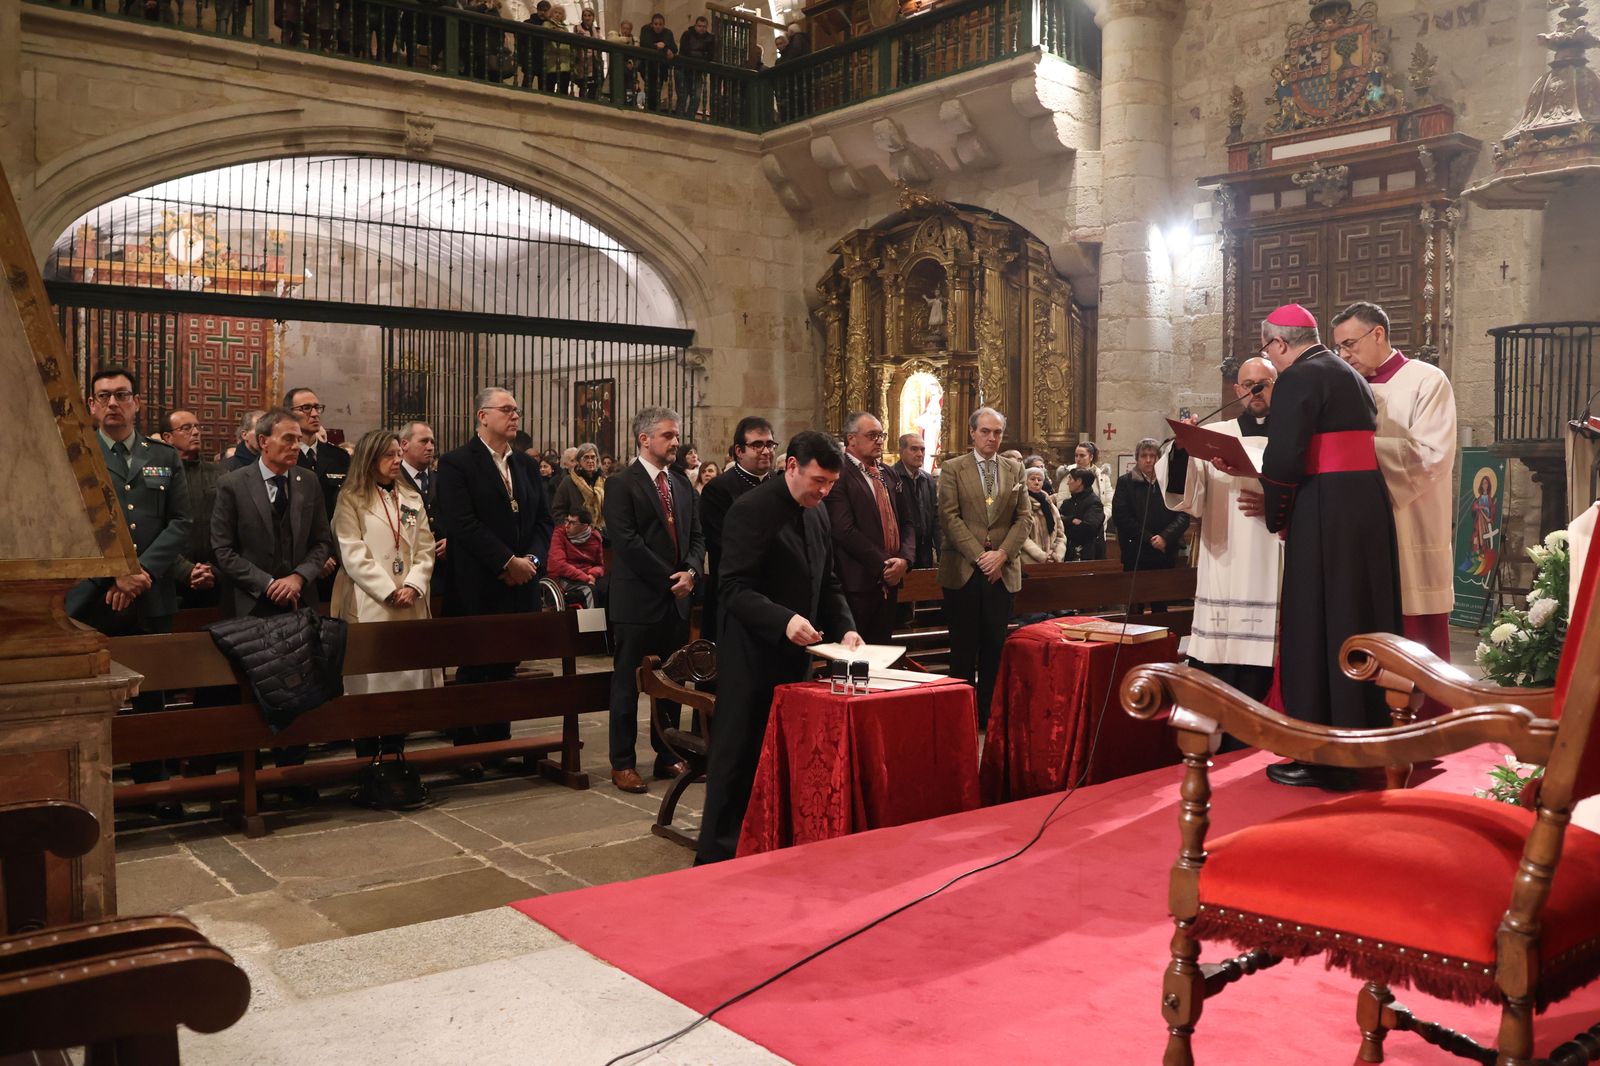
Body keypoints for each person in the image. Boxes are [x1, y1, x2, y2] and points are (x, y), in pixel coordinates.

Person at [694, 431, 862, 864]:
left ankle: (775, 843)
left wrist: (845, 627)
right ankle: (720, 855)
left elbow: (827, 582)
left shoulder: (817, 511)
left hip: (797, 657)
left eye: (830, 484)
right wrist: (784, 619)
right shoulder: (750, 510)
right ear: (791, 466)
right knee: (739, 756)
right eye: (817, 481)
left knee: (786, 756)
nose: (824, 491)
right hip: (751, 655)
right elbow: (732, 589)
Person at [1257, 302, 1403, 789]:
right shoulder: (1351, 373)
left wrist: (1278, 514)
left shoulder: (1299, 377)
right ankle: (1368, 741)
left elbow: (1283, 460)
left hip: (1324, 511)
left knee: (1316, 623)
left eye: (1269, 349)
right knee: (1360, 616)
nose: (1271, 358)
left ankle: (1322, 756)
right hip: (1365, 507)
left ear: (1280, 344)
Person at [67, 369, 192, 809]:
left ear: (137, 402)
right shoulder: (77, 454)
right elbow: (71, 526)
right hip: (93, 595)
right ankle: (88, 787)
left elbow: (180, 522)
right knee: (89, 694)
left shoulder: (163, 455)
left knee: (151, 695)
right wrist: (113, 576)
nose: (113, 403)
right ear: (91, 403)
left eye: (122, 395)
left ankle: (153, 786)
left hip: (150, 592)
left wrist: (140, 574)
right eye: (104, 396)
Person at [1332, 300, 1458, 717]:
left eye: (1349, 344)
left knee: (1414, 632)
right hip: (1356, 529)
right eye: (1338, 349)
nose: (1344, 355)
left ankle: (1426, 726)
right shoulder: (1343, 386)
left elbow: (1431, 456)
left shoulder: (1427, 380)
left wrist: (1355, 452)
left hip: (1410, 525)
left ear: (1379, 334)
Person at [433, 387, 554, 766]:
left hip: (521, 585)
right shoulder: (457, 463)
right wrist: (507, 562)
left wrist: (530, 560)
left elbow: (543, 521)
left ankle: (498, 742)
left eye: (516, 410)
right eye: (506, 409)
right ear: (483, 416)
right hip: (478, 584)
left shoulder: (526, 465)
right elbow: (462, 523)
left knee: (506, 667)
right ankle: (468, 748)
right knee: (475, 666)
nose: (515, 415)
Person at [1157, 356, 1281, 710]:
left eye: (1265, 383)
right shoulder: (1216, 435)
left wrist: (1274, 504)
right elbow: (1188, 499)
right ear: (1237, 390)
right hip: (1224, 558)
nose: (1256, 391)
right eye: (1249, 385)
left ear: (1277, 386)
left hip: (1274, 553)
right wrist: (1181, 451)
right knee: (1220, 654)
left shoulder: (1294, 432)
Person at [601, 406, 703, 794]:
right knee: (627, 684)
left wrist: (691, 572)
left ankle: (667, 752)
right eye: (668, 435)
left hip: (676, 599)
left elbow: (697, 537)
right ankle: (623, 762)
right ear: (644, 439)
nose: (676, 442)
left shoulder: (680, 484)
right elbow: (627, 542)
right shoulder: (621, 484)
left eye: (676, 435)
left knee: (672, 682)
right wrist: (669, 579)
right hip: (639, 602)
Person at [330, 429, 440, 757]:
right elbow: (351, 551)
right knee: (370, 682)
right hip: (370, 600)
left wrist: (413, 585)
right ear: (370, 458)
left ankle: (397, 752)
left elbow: (425, 549)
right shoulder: (351, 498)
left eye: (398, 454)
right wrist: (388, 590)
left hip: (409, 601)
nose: (397, 461)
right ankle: (368, 756)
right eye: (389, 455)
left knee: (403, 682)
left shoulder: (411, 497)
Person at [937, 407, 1032, 726]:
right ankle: (960, 717)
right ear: (972, 433)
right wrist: (981, 556)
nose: (992, 438)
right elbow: (949, 517)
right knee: (963, 648)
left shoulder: (1014, 468)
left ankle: (988, 715)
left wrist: (1002, 555)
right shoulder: (953, 468)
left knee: (995, 647)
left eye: (998, 432)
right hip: (964, 569)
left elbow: (1024, 517)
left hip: (1002, 572)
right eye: (986, 432)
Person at [826, 412, 915, 645]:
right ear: (851, 439)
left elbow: (907, 522)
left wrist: (904, 560)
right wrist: (883, 564)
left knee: (881, 653)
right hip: (856, 581)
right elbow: (843, 529)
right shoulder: (839, 473)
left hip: (890, 581)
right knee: (852, 660)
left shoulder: (888, 472)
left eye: (881, 435)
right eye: (872, 435)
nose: (879, 440)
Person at [699, 416, 775, 643]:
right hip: (734, 589)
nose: (766, 451)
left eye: (770, 444)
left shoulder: (780, 484)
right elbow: (722, 542)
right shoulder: (718, 489)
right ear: (739, 451)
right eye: (757, 445)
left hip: (775, 591)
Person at [284, 386, 349, 596]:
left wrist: (333, 554)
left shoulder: (339, 457)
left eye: (316, 407)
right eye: (305, 408)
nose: (314, 413)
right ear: (288, 414)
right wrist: (314, 560)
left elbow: (347, 510)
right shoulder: (285, 457)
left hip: (337, 558)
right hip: (296, 562)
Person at [162, 409, 223, 611]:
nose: (196, 432)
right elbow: (154, 529)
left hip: (216, 578)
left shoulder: (220, 473)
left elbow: (231, 525)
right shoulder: (159, 476)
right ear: (167, 437)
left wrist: (213, 570)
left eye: (197, 427)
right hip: (170, 579)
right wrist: (185, 570)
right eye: (186, 428)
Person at [1112, 438, 1190, 572]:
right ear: (1137, 458)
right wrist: (1149, 539)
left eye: (1152, 456)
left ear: (1159, 458)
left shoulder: (1171, 481)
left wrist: (1165, 537)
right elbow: (1121, 516)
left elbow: (1184, 512)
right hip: (1136, 550)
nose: (1148, 460)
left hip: (1167, 549)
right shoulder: (1125, 482)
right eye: (1143, 456)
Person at [892, 433, 938, 570]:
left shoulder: (928, 479)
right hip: (901, 551)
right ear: (901, 452)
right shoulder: (892, 477)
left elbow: (935, 516)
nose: (920, 454)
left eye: (922, 449)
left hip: (925, 551)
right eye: (914, 449)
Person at [548, 507, 605, 608]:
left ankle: (609, 623)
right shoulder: (559, 534)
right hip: (564, 577)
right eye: (567, 521)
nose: (567, 526)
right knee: (589, 591)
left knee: (607, 588)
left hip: (587, 575)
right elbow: (558, 565)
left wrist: (592, 574)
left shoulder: (595, 537)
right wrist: (585, 578)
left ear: (585, 526)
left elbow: (599, 565)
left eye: (572, 523)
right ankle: (592, 624)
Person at [551, 441, 607, 530]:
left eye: (593, 457)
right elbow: (558, 511)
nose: (590, 461)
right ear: (579, 461)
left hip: (602, 535)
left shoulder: (604, 481)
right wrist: (570, 528)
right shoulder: (568, 481)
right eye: (586, 457)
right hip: (576, 535)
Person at [1058, 468, 1105, 561]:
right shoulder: (1067, 503)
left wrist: (1067, 524)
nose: (1068, 483)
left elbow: (1088, 528)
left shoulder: (1094, 503)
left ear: (1079, 481)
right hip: (1068, 553)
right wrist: (1072, 520)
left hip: (1088, 555)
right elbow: (1058, 523)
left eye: (1070, 479)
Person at [1019, 467, 1064, 565]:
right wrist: (1041, 556)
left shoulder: (1049, 504)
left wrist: (1056, 554)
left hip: (1052, 561)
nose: (1036, 482)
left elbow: (1060, 534)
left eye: (1039, 480)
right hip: (1028, 561)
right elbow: (1021, 536)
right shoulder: (1020, 504)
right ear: (1025, 481)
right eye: (1032, 479)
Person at [677, 14, 714, 118]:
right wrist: (701, 54)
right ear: (695, 26)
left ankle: (690, 118)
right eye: (700, 26)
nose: (702, 28)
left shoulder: (709, 38)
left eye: (704, 26)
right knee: (682, 96)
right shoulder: (687, 35)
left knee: (696, 98)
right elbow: (684, 51)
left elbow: (710, 56)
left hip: (697, 72)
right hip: (684, 69)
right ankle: (679, 118)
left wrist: (695, 53)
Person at [638, 12, 676, 112]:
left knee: (656, 91)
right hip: (648, 66)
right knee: (650, 90)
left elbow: (674, 48)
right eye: (656, 24)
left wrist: (664, 47)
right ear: (652, 24)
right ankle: (650, 110)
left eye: (660, 24)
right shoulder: (646, 30)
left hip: (661, 68)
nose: (658, 26)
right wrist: (658, 46)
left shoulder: (668, 33)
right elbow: (644, 44)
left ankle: (653, 110)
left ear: (663, 25)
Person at [572, 6, 601, 99]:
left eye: (589, 15)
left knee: (594, 86)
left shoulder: (595, 30)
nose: (587, 18)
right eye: (585, 15)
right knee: (583, 85)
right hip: (583, 60)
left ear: (593, 17)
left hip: (594, 61)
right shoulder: (578, 28)